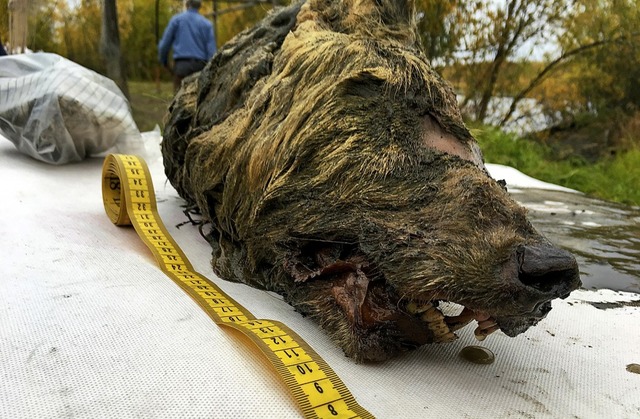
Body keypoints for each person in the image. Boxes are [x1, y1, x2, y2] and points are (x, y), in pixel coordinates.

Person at [158, 0, 216, 91]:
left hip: (181, 67)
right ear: (199, 6)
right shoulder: (207, 24)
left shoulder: (176, 20)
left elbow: (164, 45)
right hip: (200, 68)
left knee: (179, 100)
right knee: (198, 100)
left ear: (187, 4)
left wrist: (164, 61)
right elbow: (211, 52)